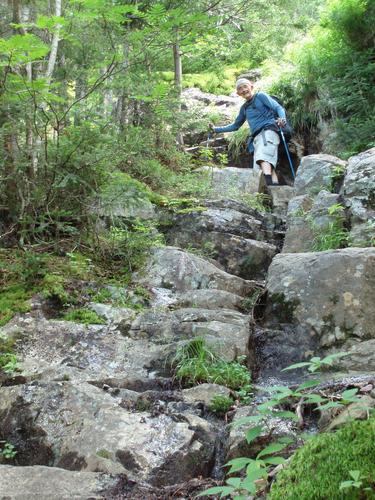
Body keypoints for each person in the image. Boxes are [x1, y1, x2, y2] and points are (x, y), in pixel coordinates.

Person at [210, 78, 287, 186]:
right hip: (256, 138)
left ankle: (270, 185)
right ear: (238, 93)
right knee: (263, 165)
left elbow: (278, 107)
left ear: (251, 86)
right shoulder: (244, 108)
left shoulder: (261, 96)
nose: (244, 90)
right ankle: (275, 191)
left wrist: (282, 119)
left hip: (268, 131)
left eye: (245, 86)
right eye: (240, 89)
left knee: (263, 157)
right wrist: (215, 130)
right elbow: (235, 126)